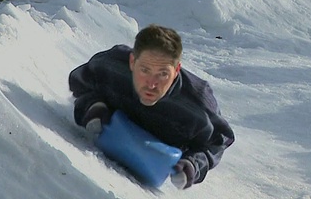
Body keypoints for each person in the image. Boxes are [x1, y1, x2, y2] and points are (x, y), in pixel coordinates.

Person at [68, 24, 234, 189]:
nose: (152, 84)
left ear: (176, 71)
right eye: (145, 70)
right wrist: (93, 106)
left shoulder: (198, 106)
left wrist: (193, 164)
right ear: (132, 61)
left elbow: (218, 142)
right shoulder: (111, 66)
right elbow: (80, 82)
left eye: (163, 74)